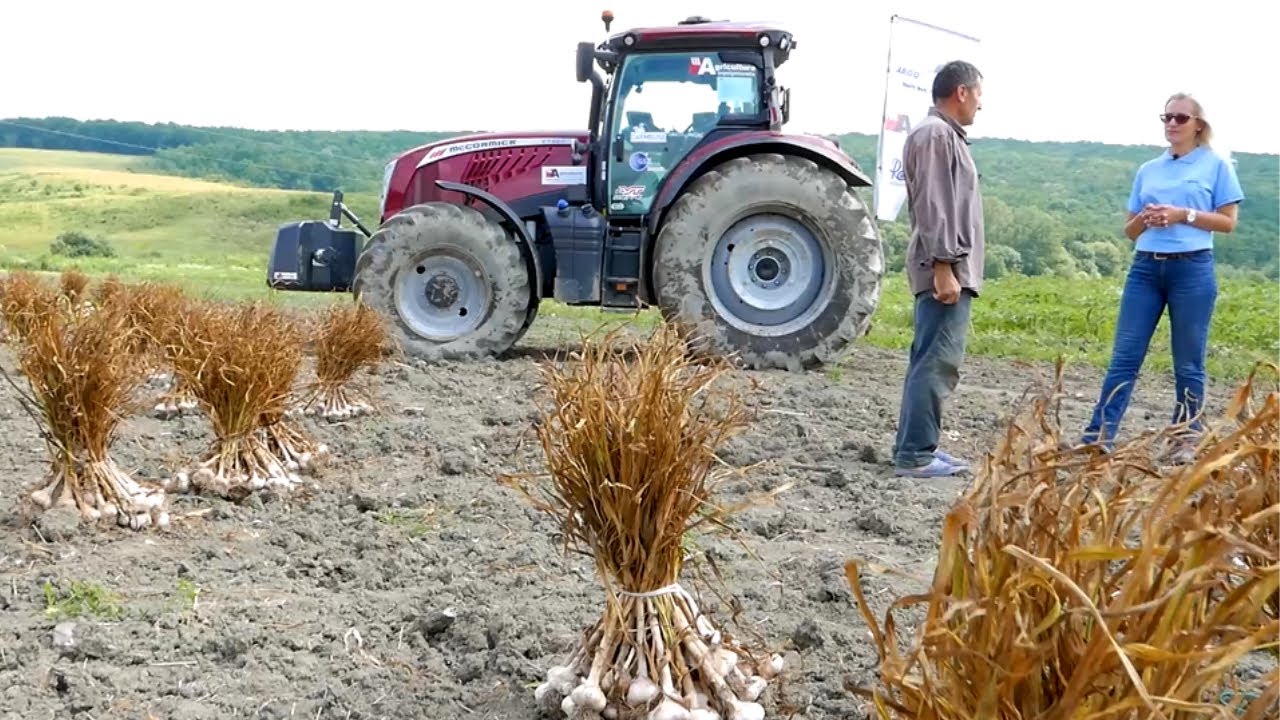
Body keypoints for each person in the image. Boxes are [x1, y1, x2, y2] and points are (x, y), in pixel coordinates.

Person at [1076, 93, 1244, 461]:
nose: (1172, 123)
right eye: (1166, 116)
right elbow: (1130, 231)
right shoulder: (1148, 169)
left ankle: (1185, 438)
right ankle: (1099, 436)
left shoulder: (1216, 166)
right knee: (1125, 356)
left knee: (1188, 361)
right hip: (1146, 268)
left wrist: (1183, 214)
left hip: (1192, 268)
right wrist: (1147, 219)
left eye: (1180, 117)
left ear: (1198, 124)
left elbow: (1228, 222)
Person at [890, 60, 985, 478]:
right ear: (961, 92)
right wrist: (944, 267)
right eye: (979, 93)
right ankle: (915, 455)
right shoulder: (935, 136)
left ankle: (918, 446)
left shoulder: (944, 136)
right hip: (943, 270)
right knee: (936, 362)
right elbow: (934, 206)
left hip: (947, 267)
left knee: (931, 358)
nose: (981, 104)